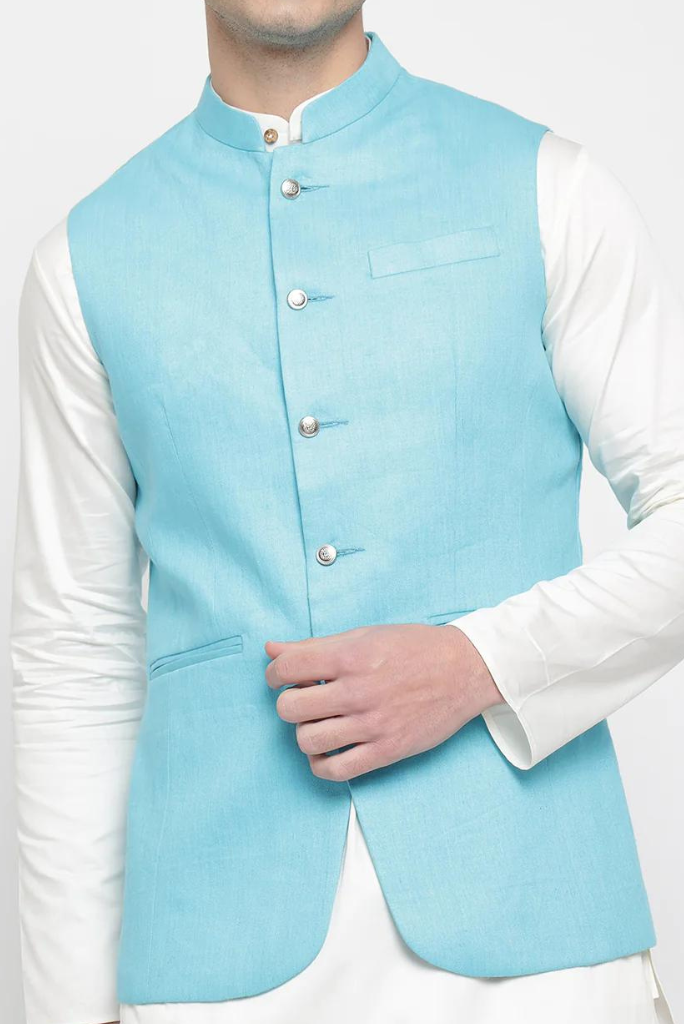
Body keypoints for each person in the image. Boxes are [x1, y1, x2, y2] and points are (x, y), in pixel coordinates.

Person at [10, 3, 684, 1023]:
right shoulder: (83, 260)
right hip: (211, 973)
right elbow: (71, 656)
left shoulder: (550, 186)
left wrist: (478, 663)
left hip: (541, 954)